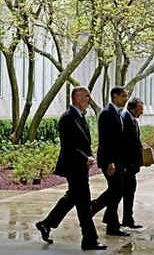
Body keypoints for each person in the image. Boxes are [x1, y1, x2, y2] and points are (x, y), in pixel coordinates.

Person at [35, 86, 107, 251]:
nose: (89, 99)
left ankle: (46, 224)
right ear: (77, 98)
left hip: (80, 166)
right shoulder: (67, 117)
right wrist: (85, 157)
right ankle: (89, 239)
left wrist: (88, 156)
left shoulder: (79, 116)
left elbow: (82, 142)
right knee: (83, 203)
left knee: (73, 198)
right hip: (73, 166)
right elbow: (68, 145)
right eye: (86, 96)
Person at [90, 87, 130, 236]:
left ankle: (111, 224)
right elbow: (106, 140)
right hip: (109, 161)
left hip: (117, 160)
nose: (126, 99)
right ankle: (94, 207)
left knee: (117, 191)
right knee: (117, 190)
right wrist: (110, 162)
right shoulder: (107, 113)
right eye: (123, 96)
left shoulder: (116, 113)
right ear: (115, 97)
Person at [120, 98, 144, 229]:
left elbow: (136, 141)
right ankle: (95, 208)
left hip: (131, 165)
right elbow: (125, 143)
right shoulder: (125, 119)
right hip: (126, 165)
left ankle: (128, 218)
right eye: (140, 110)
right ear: (133, 108)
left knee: (129, 192)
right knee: (120, 193)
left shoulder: (132, 119)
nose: (141, 113)